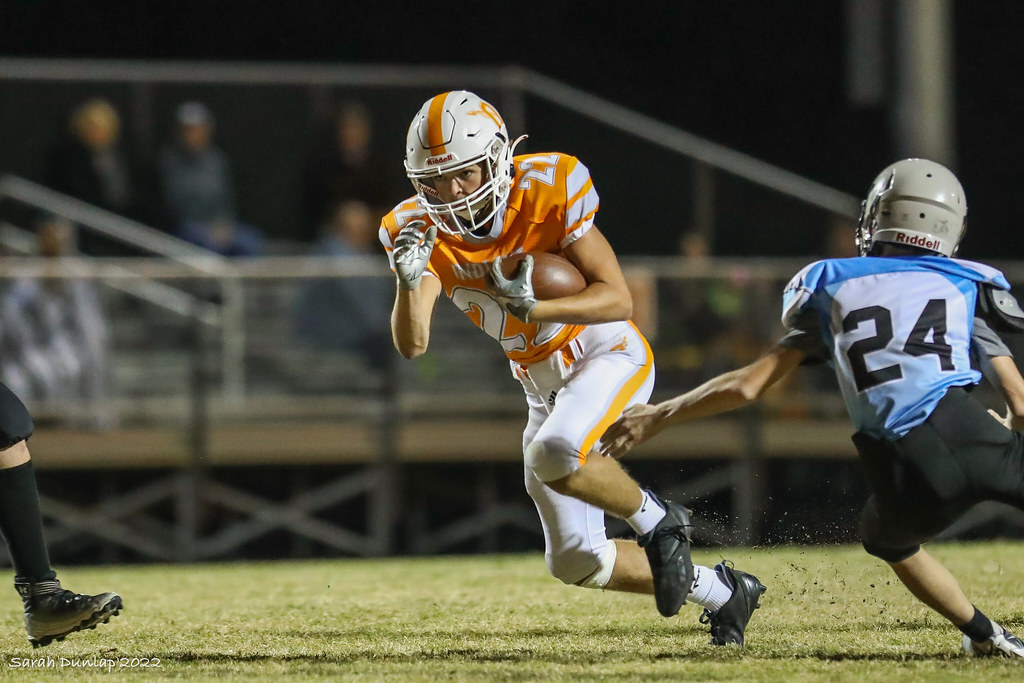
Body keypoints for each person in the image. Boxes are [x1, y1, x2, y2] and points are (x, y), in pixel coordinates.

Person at [379, 90, 766, 646]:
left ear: (496, 159)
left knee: (553, 452)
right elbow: (413, 345)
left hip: (605, 353)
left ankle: (660, 520)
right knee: (576, 560)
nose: (450, 192)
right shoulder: (419, 229)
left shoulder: (548, 188)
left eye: (462, 174)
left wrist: (539, 308)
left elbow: (618, 299)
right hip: (543, 390)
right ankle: (726, 593)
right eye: (434, 181)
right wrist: (407, 279)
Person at [602, 158, 1024, 658]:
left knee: (887, 540)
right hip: (968, 428)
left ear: (877, 217)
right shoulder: (961, 283)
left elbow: (747, 387)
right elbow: (1017, 398)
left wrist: (660, 414)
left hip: (903, 462)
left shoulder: (832, 287)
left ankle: (985, 635)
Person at [0, 214, 115, 430]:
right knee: (25, 372)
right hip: (33, 345)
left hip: (69, 343)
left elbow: (89, 322)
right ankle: (28, 430)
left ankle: (87, 424)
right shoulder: (26, 274)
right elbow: (11, 315)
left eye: (58, 237)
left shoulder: (78, 273)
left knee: (87, 357)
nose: (53, 241)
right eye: (48, 236)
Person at [293, 199, 391, 371]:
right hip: (331, 334)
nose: (365, 232)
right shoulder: (331, 255)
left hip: (358, 331)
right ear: (342, 227)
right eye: (358, 227)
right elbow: (358, 303)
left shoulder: (363, 253)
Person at [157, 101, 264, 256]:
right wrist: (208, 228)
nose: (195, 134)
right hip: (187, 228)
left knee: (251, 239)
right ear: (179, 132)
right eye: (189, 130)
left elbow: (225, 199)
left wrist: (223, 224)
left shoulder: (216, 160)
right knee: (209, 245)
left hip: (219, 226)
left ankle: (246, 281)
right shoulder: (167, 162)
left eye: (199, 129)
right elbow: (174, 205)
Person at [45, 98, 146, 255]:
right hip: (87, 228)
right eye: (92, 126)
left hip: (123, 227)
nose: (98, 132)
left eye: (103, 126)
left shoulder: (126, 158)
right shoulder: (67, 160)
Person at [301, 101, 394, 243]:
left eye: (358, 129)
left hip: (373, 237)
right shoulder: (326, 166)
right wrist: (345, 217)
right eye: (349, 129)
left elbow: (389, 207)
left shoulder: (378, 166)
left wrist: (366, 219)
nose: (353, 134)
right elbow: (316, 209)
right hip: (335, 236)